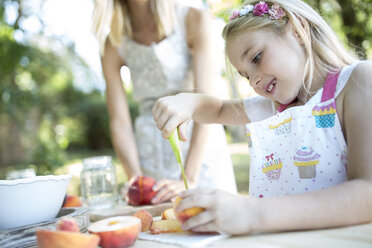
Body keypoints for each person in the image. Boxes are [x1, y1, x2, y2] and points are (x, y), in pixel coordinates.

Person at [152, 0, 372, 235]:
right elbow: (217, 110)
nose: (254, 81)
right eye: (246, 76)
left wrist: (251, 213)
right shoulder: (275, 109)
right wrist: (189, 101)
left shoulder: (358, 82)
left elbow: (367, 194)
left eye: (256, 58)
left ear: (298, 30)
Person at [92, 0, 237, 204]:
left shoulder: (194, 19)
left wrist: (190, 178)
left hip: (199, 152)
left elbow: (206, 102)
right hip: (148, 156)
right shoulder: (113, 42)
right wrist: (137, 180)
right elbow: (120, 123)